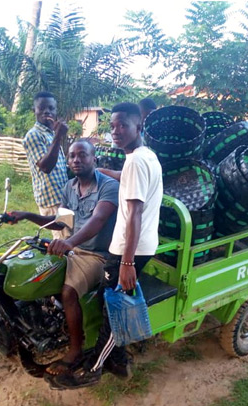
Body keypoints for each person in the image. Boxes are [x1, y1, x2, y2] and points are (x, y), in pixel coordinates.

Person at [51, 102, 163, 389]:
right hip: (135, 246)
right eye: (112, 126)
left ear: (139, 126)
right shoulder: (143, 156)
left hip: (130, 249)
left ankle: (94, 368)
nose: (116, 131)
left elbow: (134, 213)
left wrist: (126, 263)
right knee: (107, 302)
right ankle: (119, 360)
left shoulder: (137, 161)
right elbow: (128, 179)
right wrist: (103, 171)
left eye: (123, 125)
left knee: (115, 312)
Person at [8, 139, 119, 374]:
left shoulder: (108, 186)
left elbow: (98, 220)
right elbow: (61, 222)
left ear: (94, 159)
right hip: (74, 250)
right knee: (37, 274)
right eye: (72, 156)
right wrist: (27, 215)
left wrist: (68, 242)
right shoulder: (70, 186)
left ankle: (76, 350)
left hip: (98, 256)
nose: (76, 160)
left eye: (82, 155)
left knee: (68, 292)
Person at [23, 91, 70, 240]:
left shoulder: (51, 133)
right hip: (52, 200)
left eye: (51, 108)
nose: (47, 111)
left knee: (71, 237)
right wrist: (58, 136)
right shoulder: (34, 135)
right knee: (64, 242)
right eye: (42, 108)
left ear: (56, 111)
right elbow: (46, 167)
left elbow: (60, 167)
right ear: (34, 111)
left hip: (63, 197)